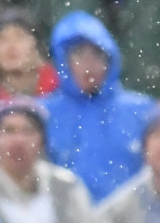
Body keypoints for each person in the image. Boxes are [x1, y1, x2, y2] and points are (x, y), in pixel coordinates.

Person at [43, 11, 155, 204]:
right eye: (79, 54)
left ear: (110, 59)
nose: (89, 65)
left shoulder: (143, 111)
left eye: (97, 54)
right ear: (64, 61)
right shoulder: (42, 114)